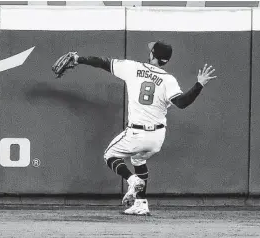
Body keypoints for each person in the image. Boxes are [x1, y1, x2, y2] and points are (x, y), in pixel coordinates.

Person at [71, 41, 217, 216]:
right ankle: (141, 203)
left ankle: (132, 181)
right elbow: (182, 103)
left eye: (151, 51)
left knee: (109, 155)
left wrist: (78, 59)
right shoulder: (168, 79)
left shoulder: (133, 68)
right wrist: (199, 84)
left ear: (153, 55)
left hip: (137, 133)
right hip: (157, 137)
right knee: (138, 161)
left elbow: (102, 62)